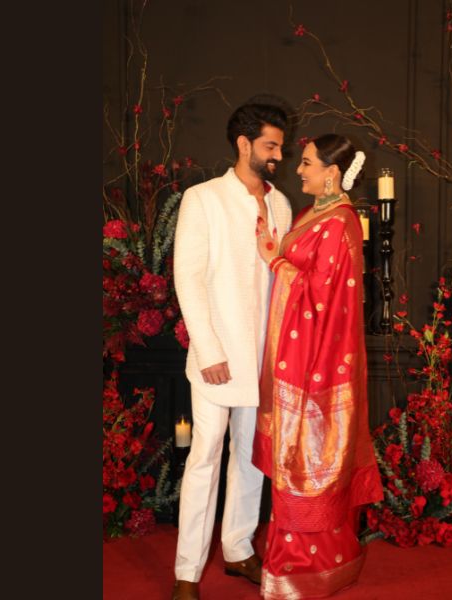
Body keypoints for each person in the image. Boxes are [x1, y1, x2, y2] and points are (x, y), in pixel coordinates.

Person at [172, 101, 293, 600]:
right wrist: (208, 349)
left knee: (249, 457)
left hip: (263, 359)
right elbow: (188, 277)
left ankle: (239, 549)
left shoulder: (281, 204)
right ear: (244, 145)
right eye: (270, 146)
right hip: (217, 357)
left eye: (281, 147)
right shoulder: (203, 199)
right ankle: (187, 572)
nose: (278, 156)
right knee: (204, 457)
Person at [253, 134, 384, 599]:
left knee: (307, 457)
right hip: (297, 356)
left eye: (307, 163)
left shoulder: (340, 221)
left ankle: (307, 569)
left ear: (332, 172)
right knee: (295, 458)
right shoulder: (314, 214)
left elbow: (320, 295)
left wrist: (274, 261)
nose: (299, 169)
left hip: (317, 363)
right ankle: (303, 563)